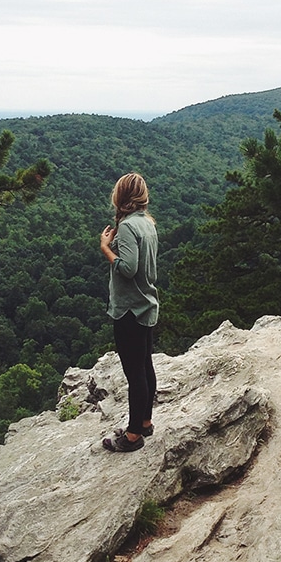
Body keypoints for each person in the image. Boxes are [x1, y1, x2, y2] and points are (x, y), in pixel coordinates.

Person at [99, 172, 159, 452]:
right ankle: (144, 422)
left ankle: (134, 435)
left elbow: (127, 268)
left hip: (129, 311)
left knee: (135, 373)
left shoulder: (126, 228)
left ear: (120, 196)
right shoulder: (147, 223)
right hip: (146, 304)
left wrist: (106, 250)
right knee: (145, 367)